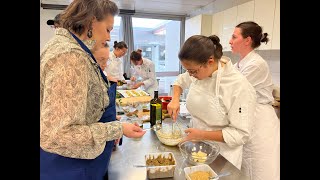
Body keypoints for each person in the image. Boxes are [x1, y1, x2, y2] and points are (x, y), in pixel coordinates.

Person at [40, 0, 146, 180]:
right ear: (91, 21)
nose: (109, 38)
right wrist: (116, 129)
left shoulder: (66, 47)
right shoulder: (70, 56)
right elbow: (59, 135)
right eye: (108, 29)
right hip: (73, 167)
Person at [167, 35, 256, 169]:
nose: (190, 75)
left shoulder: (238, 86)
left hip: (222, 156)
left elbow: (241, 134)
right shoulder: (199, 72)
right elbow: (180, 80)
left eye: (193, 71)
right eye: (188, 71)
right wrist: (175, 99)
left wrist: (202, 134)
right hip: (195, 144)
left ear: (210, 61)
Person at [229, 21, 280, 180]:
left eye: (234, 37)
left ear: (247, 40)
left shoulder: (256, 64)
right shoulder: (240, 63)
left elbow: (233, 92)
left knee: (260, 169)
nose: (230, 41)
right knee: (246, 168)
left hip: (260, 122)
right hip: (247, 119)